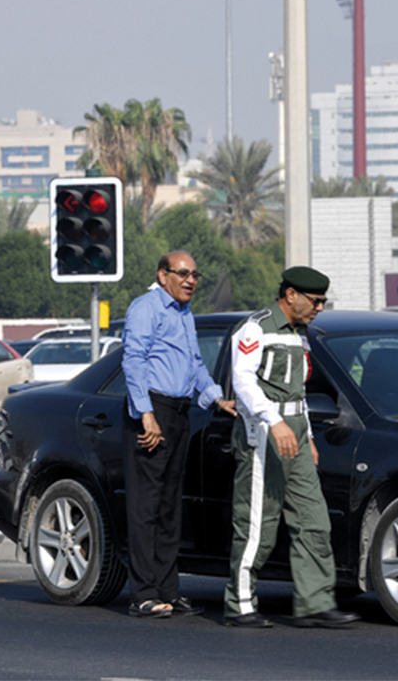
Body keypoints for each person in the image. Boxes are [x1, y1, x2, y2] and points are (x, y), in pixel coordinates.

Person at [221, 266, 360, 629]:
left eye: (324, 302)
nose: (320, 308)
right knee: (256, 524)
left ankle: (314, 602)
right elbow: (244, 383)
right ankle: (241, 605)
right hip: (263, 432)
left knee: (313, 519)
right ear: (291, 295)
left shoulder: (301, 333)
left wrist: (308, 436)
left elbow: (297, 393)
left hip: (295, 431)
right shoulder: (256, 328)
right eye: (315, 301)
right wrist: (274, 421)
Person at [121, 251, 237, 619]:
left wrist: (216, 397)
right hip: (153, 411)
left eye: (195, 275)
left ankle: (168, 590)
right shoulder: (146, 308)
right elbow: (133, 360)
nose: (190, 280)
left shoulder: (185, 314)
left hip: (180, 413)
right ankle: (142, 594)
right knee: (145, 507)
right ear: (163, 274)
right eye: (183, 273)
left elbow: (196, 365)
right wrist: (146, 414)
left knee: (171, 507)